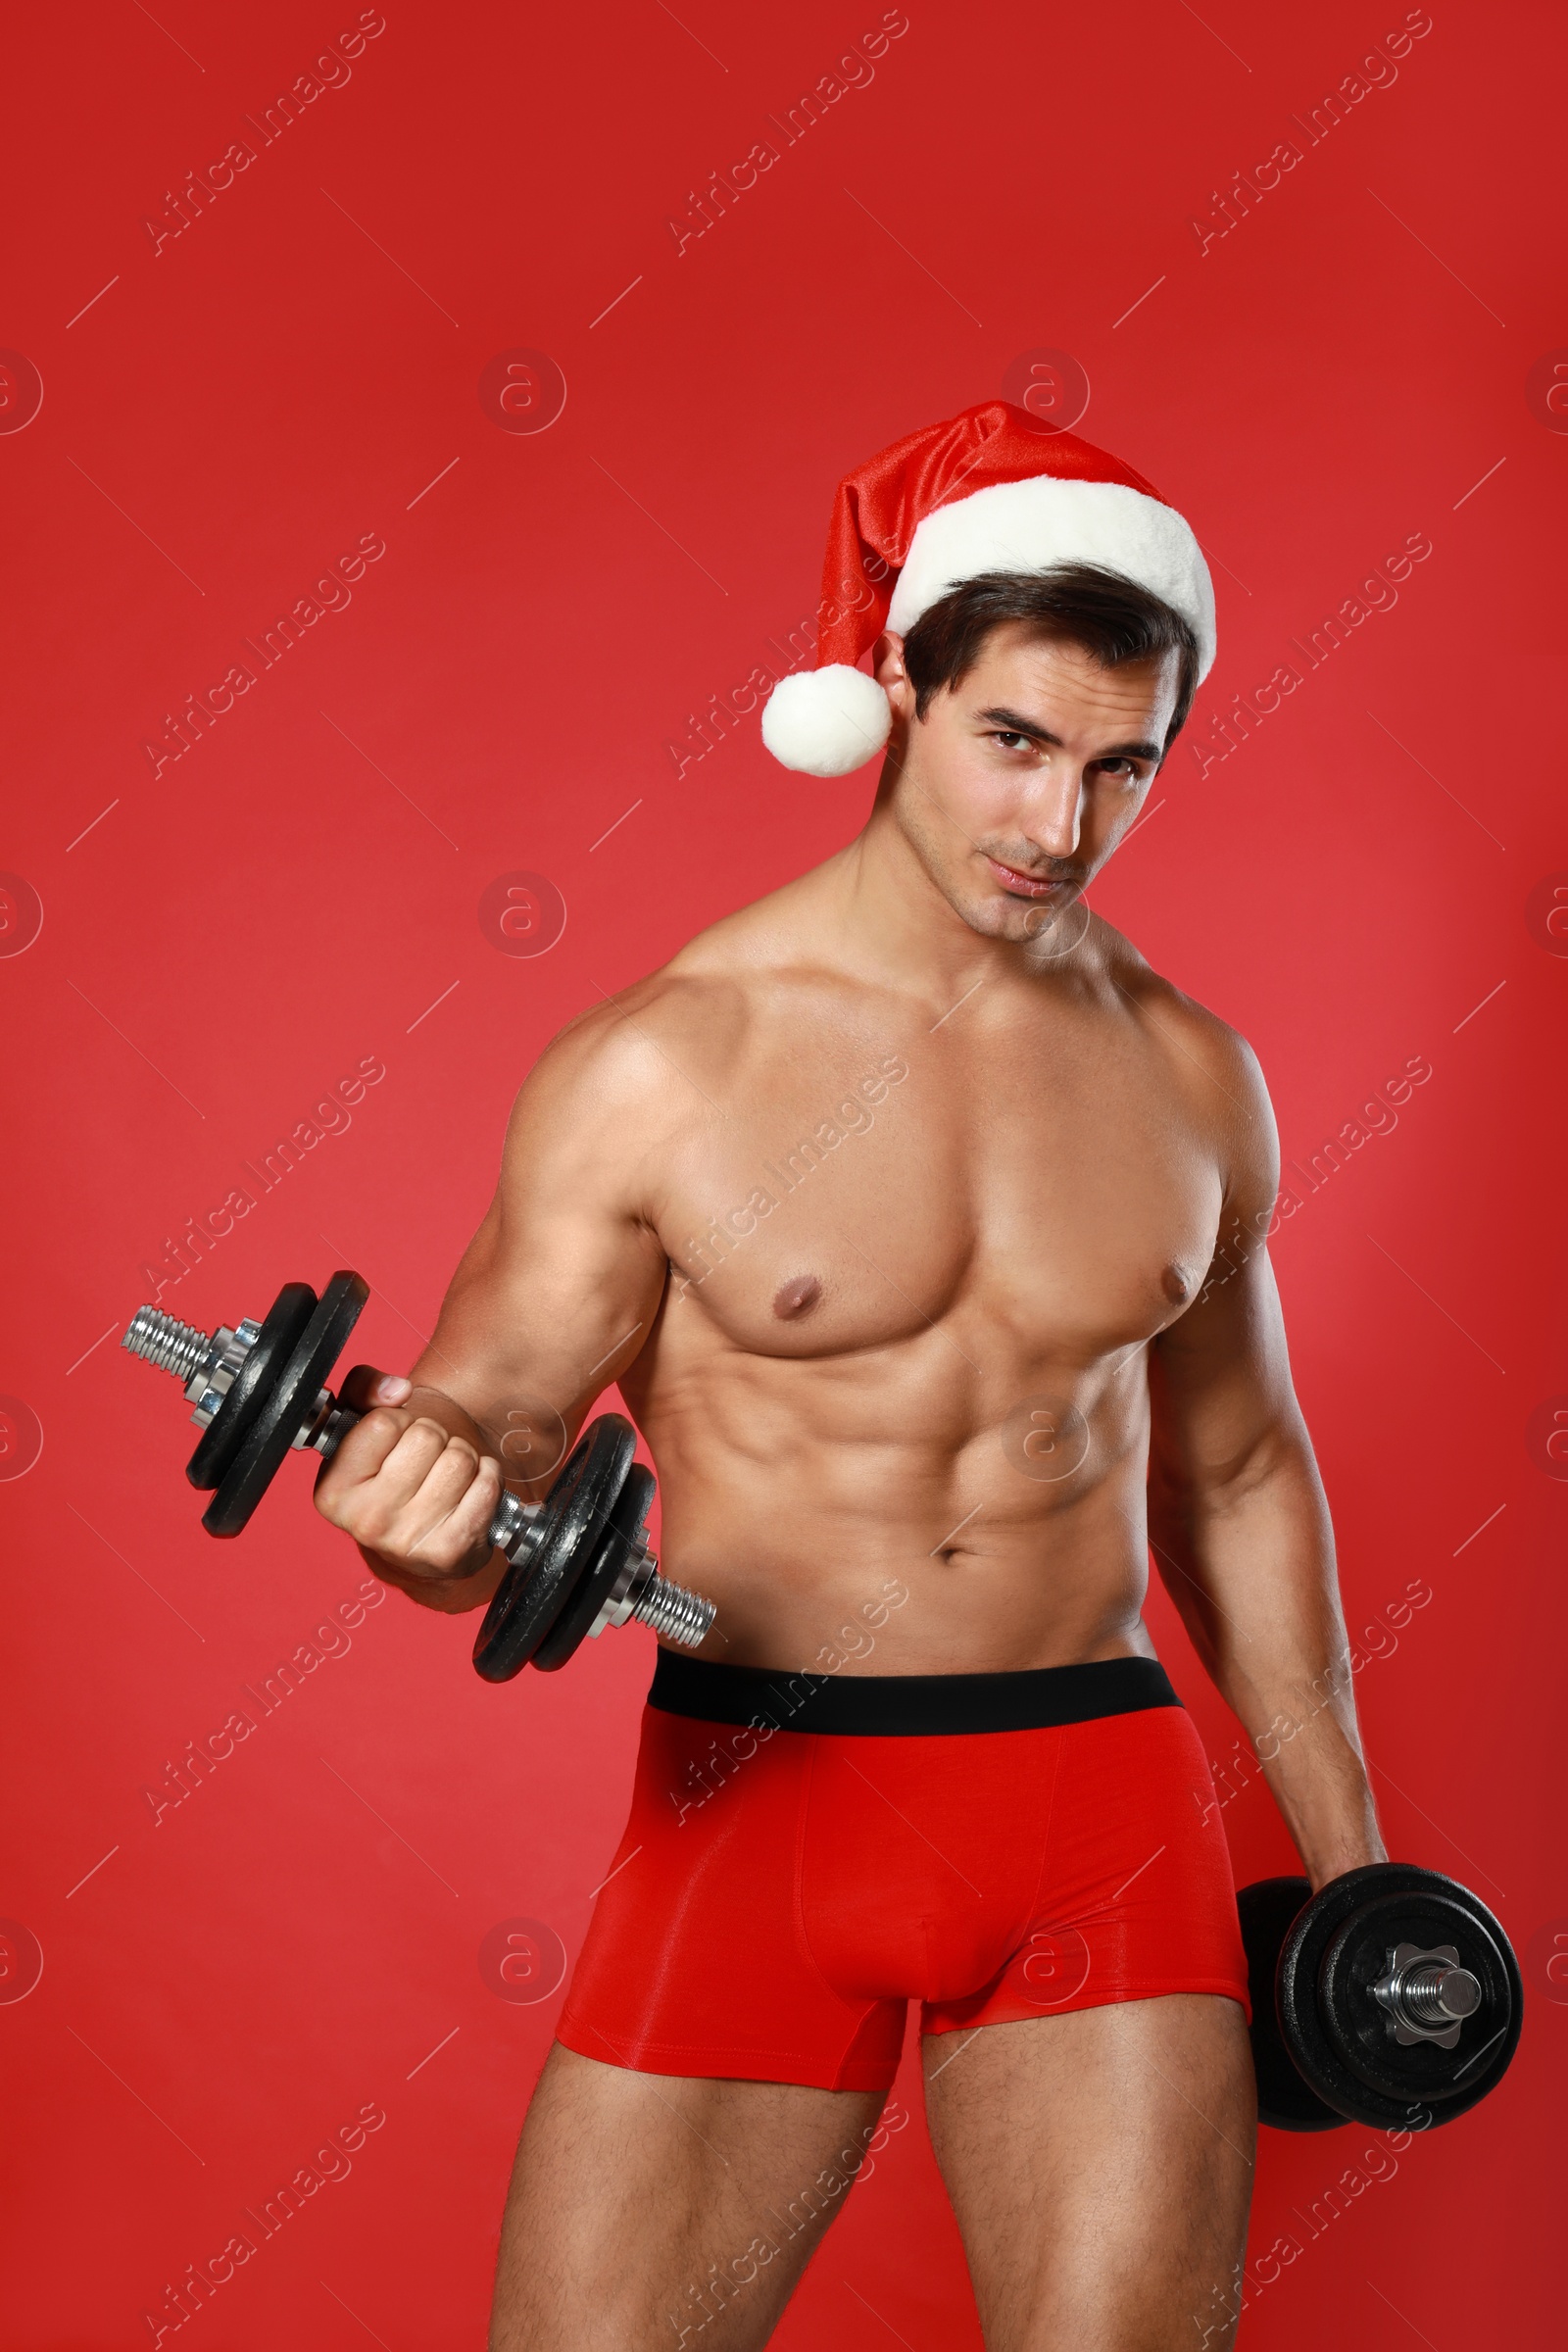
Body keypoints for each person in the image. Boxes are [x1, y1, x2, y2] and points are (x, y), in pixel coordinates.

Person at [316, 400, 1386, 2351]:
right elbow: (480, 1447)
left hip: (1098, 1812)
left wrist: (1351, 1866)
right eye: (1012, 745)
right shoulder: (669, 1062)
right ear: (899, 680)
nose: (1055, 825)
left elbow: (1229, 1479)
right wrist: (422, 1529)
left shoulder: (1186, 1077)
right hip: (756, 1801)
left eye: (1119, 767)